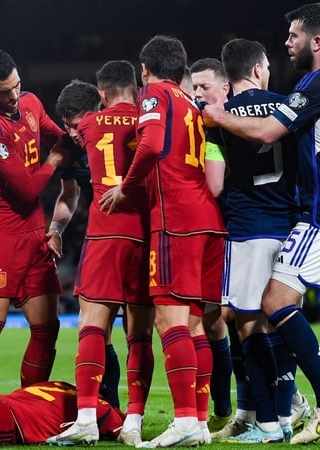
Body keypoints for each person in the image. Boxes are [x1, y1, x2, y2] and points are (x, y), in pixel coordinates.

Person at [202, 3, 320, 444]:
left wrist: (218, 117)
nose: (287, 44)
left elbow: (269, 132)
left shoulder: (317, 82)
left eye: (293, 36)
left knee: (276, 299)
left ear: (317, 41)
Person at [100, 35, 226, 447]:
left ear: (146, 70)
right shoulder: (191, 103)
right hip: (208, 219)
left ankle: (185, 419)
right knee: (194, 325)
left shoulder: (155, 93)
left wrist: (125, 187)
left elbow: (152, 144)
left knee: (167, 319)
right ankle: (201, 422)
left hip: (176, 219)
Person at [46, 63, 154, 447]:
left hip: (106, 234)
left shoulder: (91, 128)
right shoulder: (150, 118)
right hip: (147, 236)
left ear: (102, 94)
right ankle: (135, 421)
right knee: (139, 333)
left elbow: (62, 148)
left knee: (92, 326)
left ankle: (88, 417)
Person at [204, 37, 304, 444]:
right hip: (290, 226)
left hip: (247, 229)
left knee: (248, 327)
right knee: (280, 322)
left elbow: (213, 183)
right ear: (261, 67)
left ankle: (266, 422)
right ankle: (283, 414)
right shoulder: (288, 106)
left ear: (229, 75)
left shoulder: (218, 116)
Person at [0, 49, 68, 389]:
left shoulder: (31, 103)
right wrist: (56, 160)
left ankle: (29, 401)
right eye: (4, 91)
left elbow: (57, 136)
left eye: (17, 86)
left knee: (47, 324)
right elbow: (28, 188)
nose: (14, 96)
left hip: (34, 231)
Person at [187, 57, 233, 435]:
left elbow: (215, 186)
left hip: (225, 229)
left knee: (220, 319)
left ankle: (232, 405)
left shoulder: (216, 128)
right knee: (214, 319)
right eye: (195, 87)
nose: (198, 94)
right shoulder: (203, 124)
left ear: (224, 88)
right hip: (221, 229)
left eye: (205, 87)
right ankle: (224, 405)